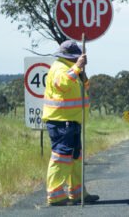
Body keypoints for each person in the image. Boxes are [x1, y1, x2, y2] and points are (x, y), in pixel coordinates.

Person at [42, 40, 99, 206]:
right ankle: (55, 195)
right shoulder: (59, 67)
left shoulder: (71, 68)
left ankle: (78, 193)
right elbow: (63, 84)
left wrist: (81, 72)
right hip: (61, 121)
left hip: (72, 120)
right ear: (71, 57)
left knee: (75, 158)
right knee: (61, 157)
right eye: (76, 57)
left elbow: (84, 87)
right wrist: (77, 67)